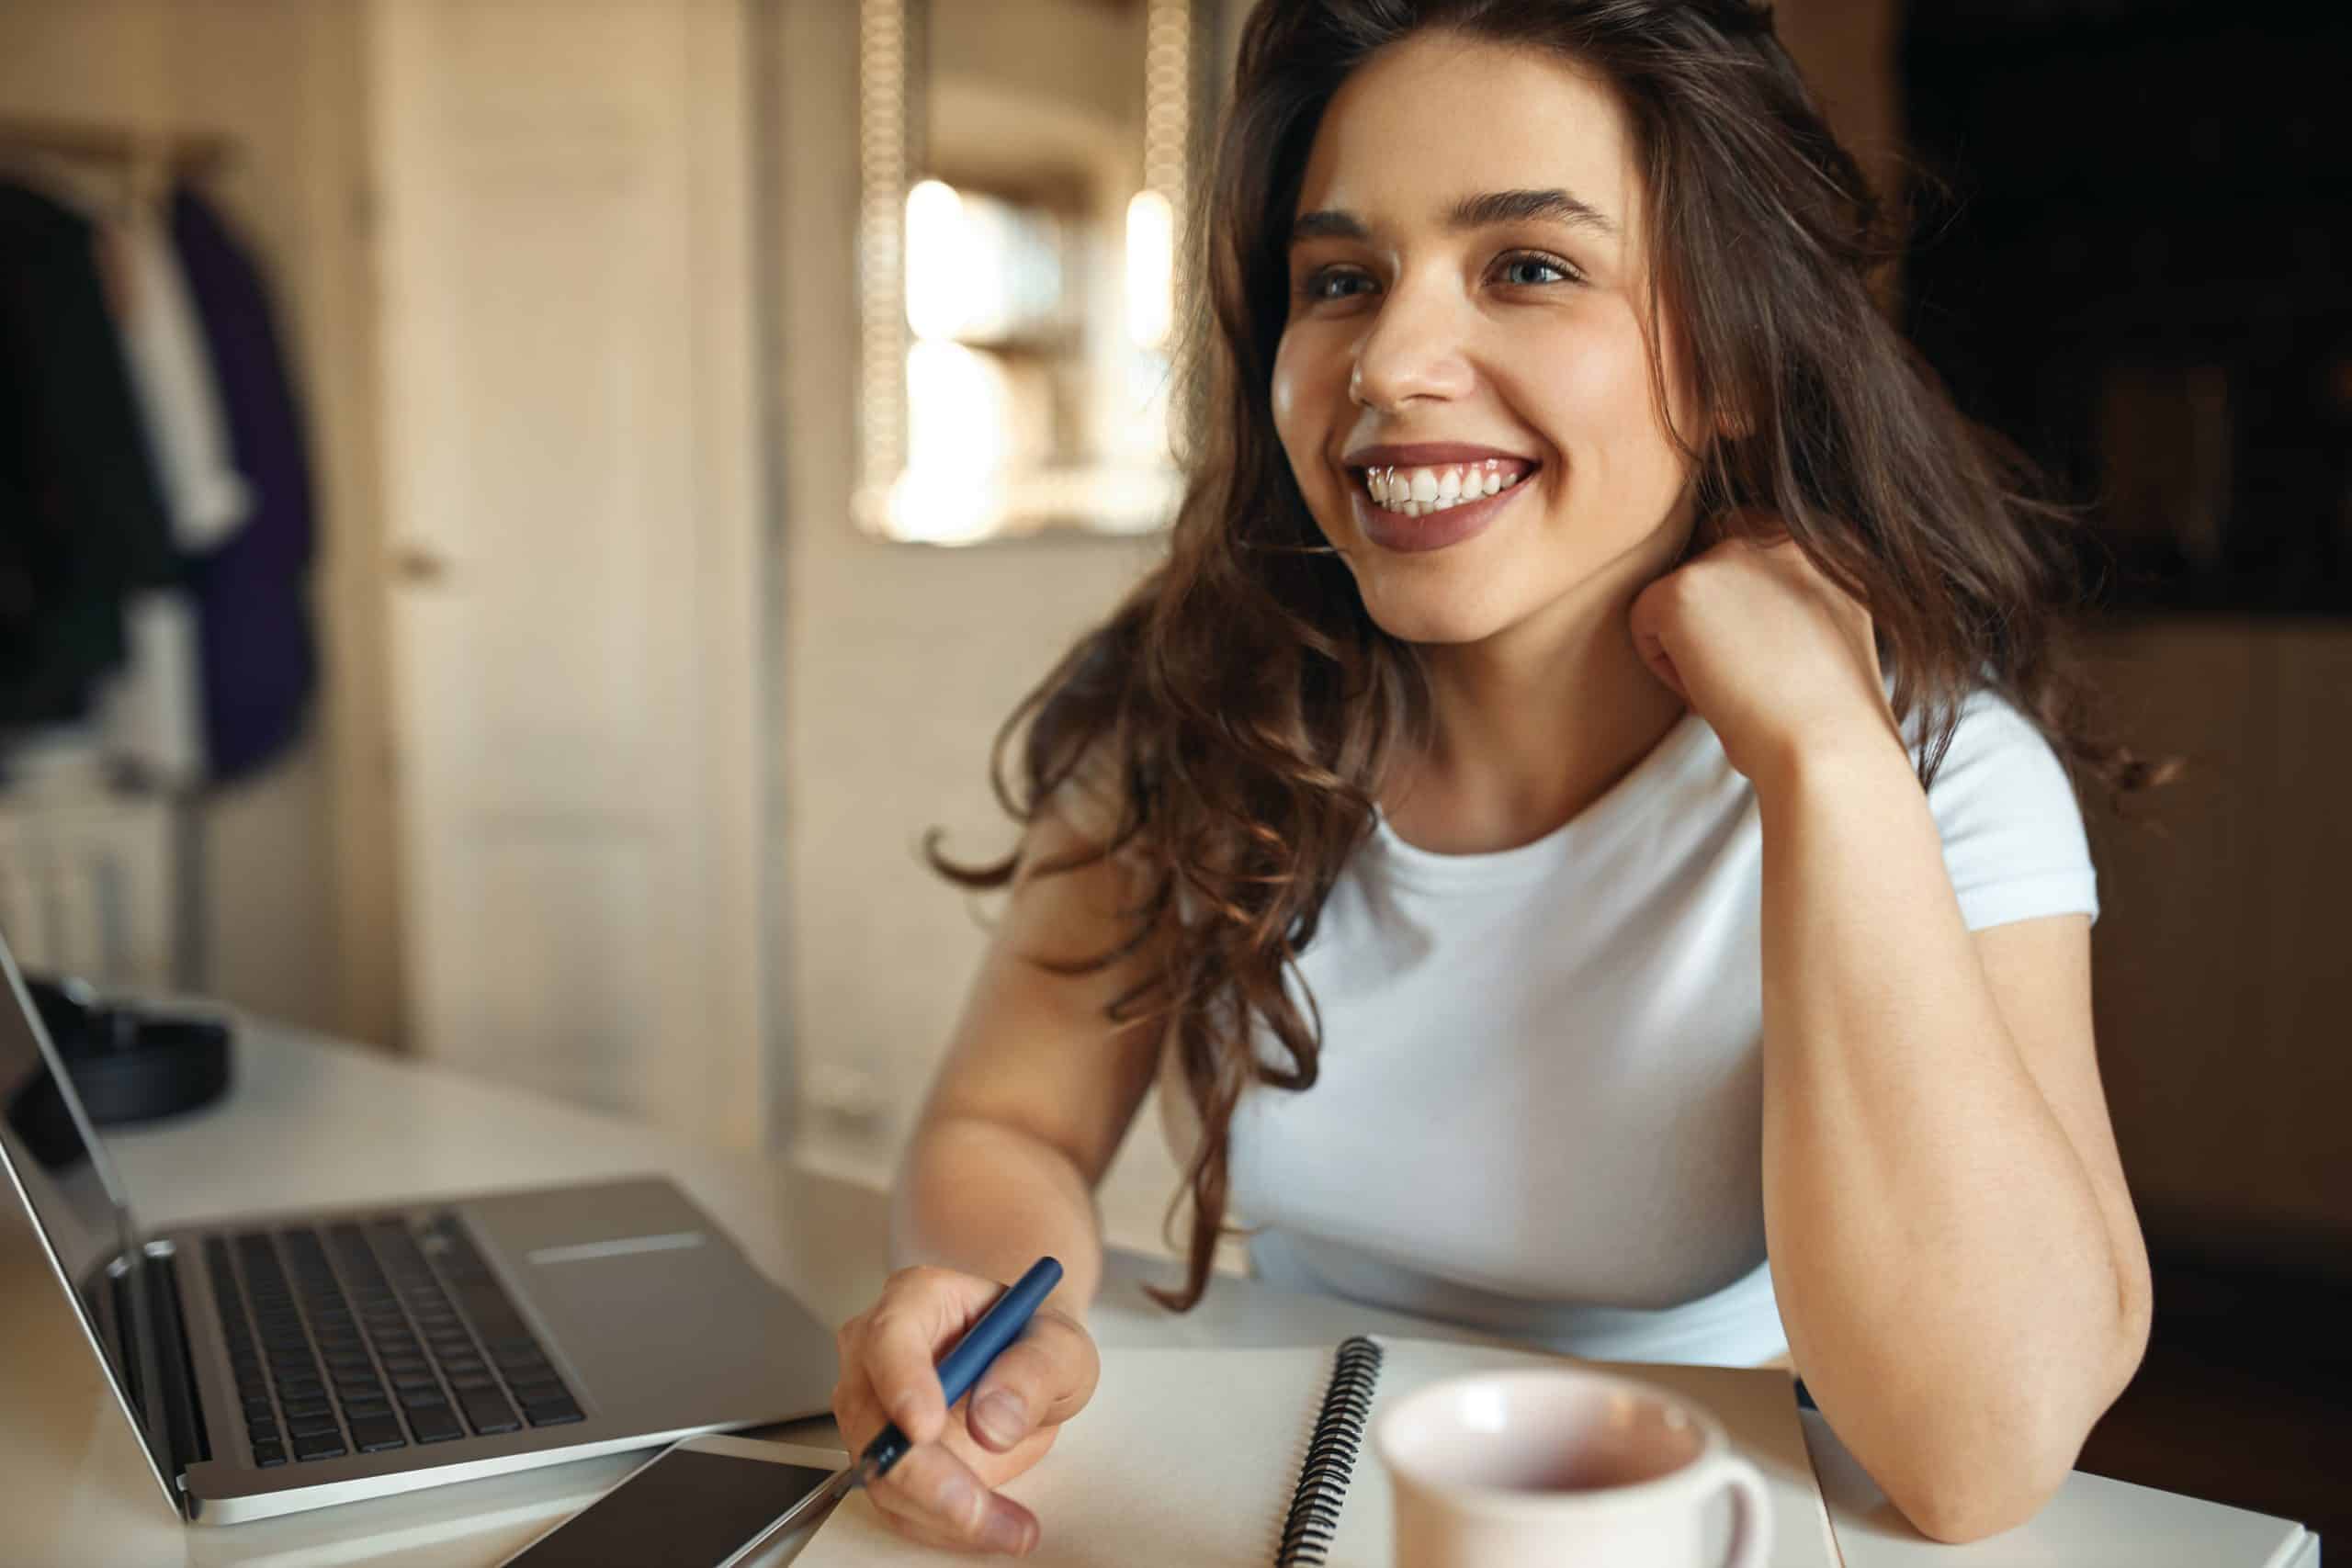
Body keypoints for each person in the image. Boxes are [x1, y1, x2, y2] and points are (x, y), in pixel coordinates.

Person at [829, 0, 2164, 1555]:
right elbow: (1006, 1126)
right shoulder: (1189, 720)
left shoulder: (1940, 779)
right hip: (1285, 1499)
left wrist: (1823, 755)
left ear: (1731, 356)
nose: (1390, 362)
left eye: (1528, 266)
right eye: (1341, 281)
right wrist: (997, 1315)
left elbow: (1975, 1458)